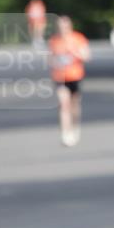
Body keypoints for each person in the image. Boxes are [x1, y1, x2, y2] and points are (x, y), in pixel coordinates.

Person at [48, 15, 91, 146]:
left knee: (74, 105)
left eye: (64, 26)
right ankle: (65, 133)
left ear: (69, 26)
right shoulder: (54, 41)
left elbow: (87, 56)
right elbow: (50, 59)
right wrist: (56, 62)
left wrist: (75, 53)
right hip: (60, 77)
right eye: (60, 26)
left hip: (75, 76)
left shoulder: (78, 38)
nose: (62, 28)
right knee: (63, 104)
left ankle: (75, 126)